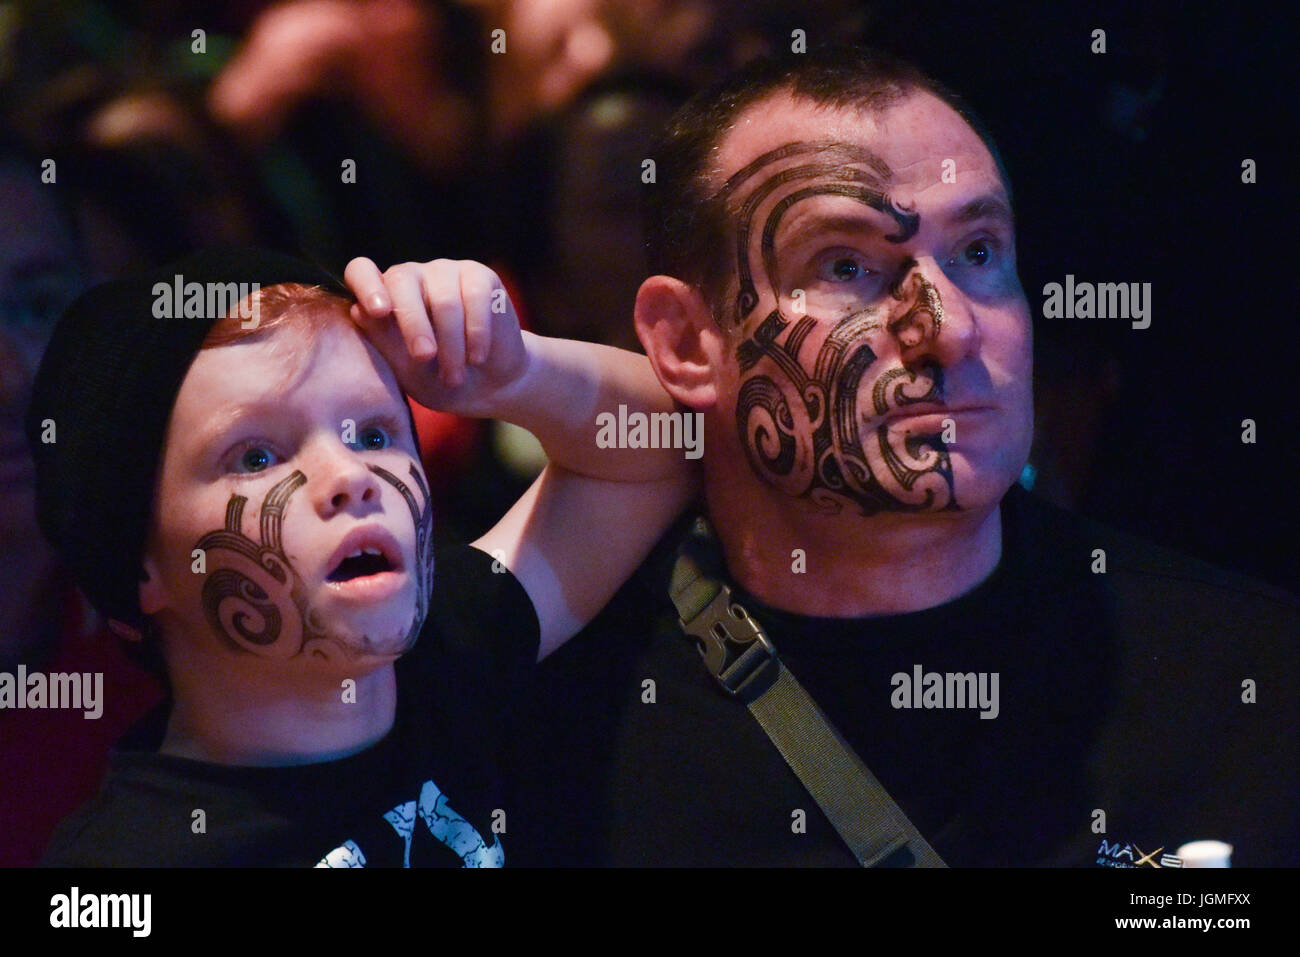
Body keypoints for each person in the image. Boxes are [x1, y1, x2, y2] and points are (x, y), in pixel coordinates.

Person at [503, 47, 1299, 866]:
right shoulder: (561, 733)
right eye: (847, 265)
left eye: (979, 254)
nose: (947, 326)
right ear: (683, 341)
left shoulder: (1250, 685)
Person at [30, 247, 694, 866]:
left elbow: (663, 447)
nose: (349, 473)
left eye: (374, 432)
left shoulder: (448, 650)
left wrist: (516, 373)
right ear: (140, 563)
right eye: (256, 456)